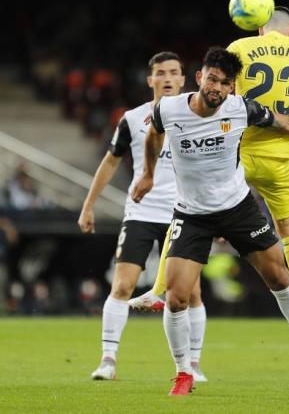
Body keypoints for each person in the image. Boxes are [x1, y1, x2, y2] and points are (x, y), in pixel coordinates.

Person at [130, 46, 289, 396]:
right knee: (177, 297)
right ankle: (184, 373)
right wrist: (148, 175)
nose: (216, 87)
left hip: (237, 207)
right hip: (192, 213)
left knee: (279, 276)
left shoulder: (241, 108)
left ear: (232, 88)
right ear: (199, 78)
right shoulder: (168, 109)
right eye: (212, 79)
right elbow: (154, 134)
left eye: (225, 83)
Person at [135, 6, 289, 326]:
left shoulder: (241, 47)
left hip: (238, 151)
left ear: (260, 29)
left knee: (189, 210)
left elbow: (216, 86)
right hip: (280, 157)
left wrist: (176, 110)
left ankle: (158, 289)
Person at [77, 52, 209, 382]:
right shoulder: (133, 119)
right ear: (150, 80)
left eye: (173, 72)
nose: (167, 78)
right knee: (122, 285)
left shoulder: (200, 116)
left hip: (186, 212)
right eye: (160, 73)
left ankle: (193, 364)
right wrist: (88, 205)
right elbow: (110, 161)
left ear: (183, 79)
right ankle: (108, 360)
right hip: (142, 211)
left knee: (191, 294)